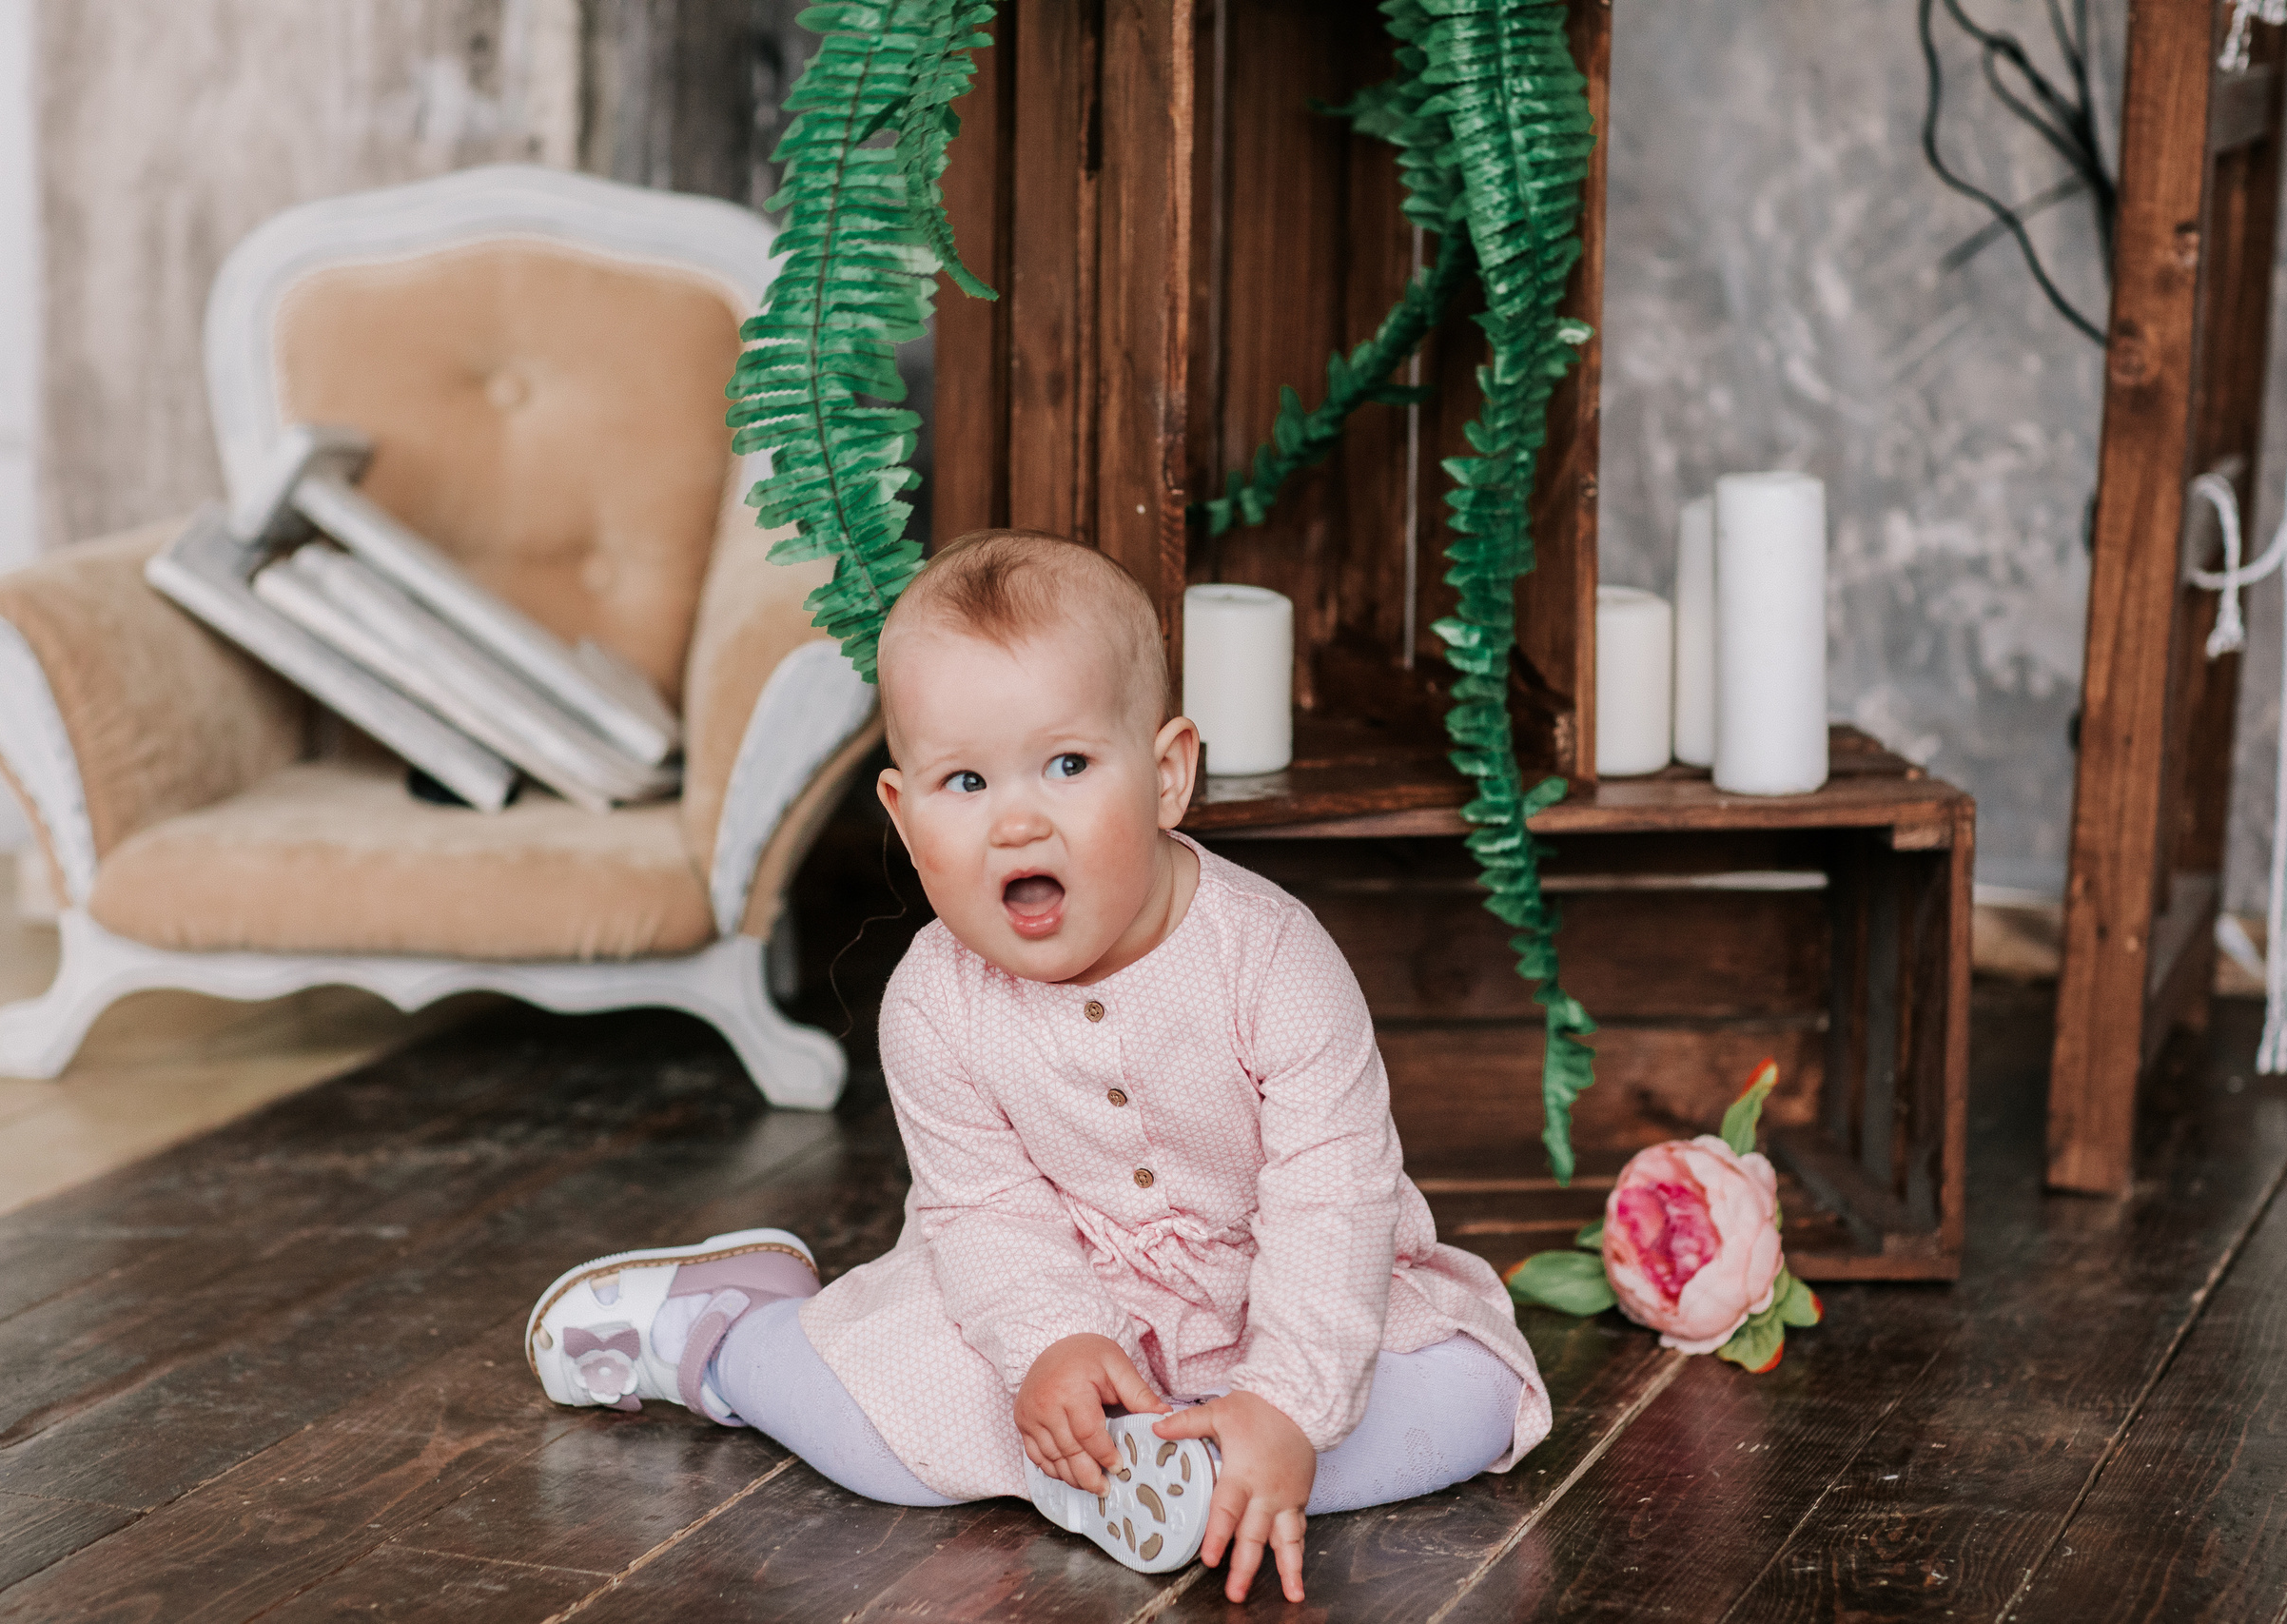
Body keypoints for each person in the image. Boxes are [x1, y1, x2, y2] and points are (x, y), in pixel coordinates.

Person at [527, 530, 1547, 1605]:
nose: (1016, 819)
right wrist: (1052, 1345)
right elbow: (984, 1213)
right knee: (885, 1435)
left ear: (1165, 776)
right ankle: (729, 1338)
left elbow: (1332, 1198)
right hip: (1057, 1284)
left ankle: (1201, 1463)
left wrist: (1290, 1404)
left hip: (1291, 1293)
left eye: (1067, 765)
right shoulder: (933, 999)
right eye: (962, 781)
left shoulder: (1274, 961)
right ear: (904, 817)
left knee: (1471, 1401)